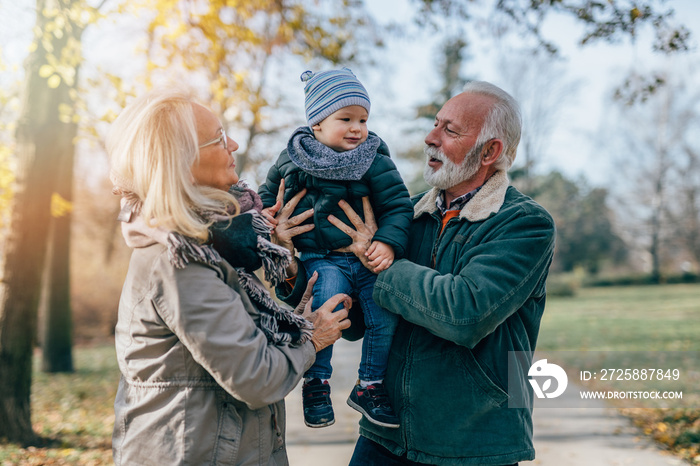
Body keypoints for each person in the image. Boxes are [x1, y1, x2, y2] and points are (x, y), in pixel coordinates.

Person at [278, 81, 556, 465]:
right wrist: (291, 264)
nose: (431, 138)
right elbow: (356, 322)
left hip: (473, 444)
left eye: (450, 130)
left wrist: (382, 265)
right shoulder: (404, 217)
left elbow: (466, 313)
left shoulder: (524, 223)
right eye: (435, 124)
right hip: (384, 434)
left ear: (490, 151)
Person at [107, 88, 352, 465]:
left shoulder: (208, 244)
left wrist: (294, 322)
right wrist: (312, 339)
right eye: (220, 138)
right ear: (183, 161)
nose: (234, 144)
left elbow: (240, 343)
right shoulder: (180, 261)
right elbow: (257, 378)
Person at [258, 68, 414, 429]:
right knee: (326, 302)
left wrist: (388, 243)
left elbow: (397, 206)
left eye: (363, 119)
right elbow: (267, 199)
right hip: (321, 258)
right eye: (345, 118)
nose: (358, 128)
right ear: (316, 124)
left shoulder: (374, 159)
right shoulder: (292, 158)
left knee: (384, 312)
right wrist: (265, 215)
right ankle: (317, 382)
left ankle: (370, 385)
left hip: (366, 260)